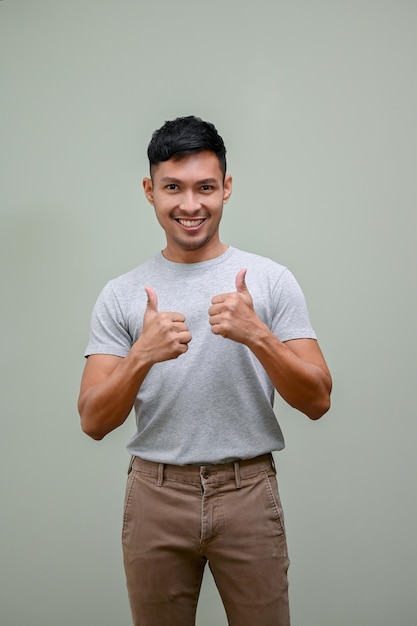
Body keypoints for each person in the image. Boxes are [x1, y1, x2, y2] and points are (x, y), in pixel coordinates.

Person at [78, 115, 332, 626]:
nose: (190, 205)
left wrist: (256, 334)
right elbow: (93, 420)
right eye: (173, 187)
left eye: (205, 188)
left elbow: (318, 400)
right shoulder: (122, 293)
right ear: (150, 191)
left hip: (248, 491)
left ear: (226, 189)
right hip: (155, 494)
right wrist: (142, 355)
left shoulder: (270, 280)